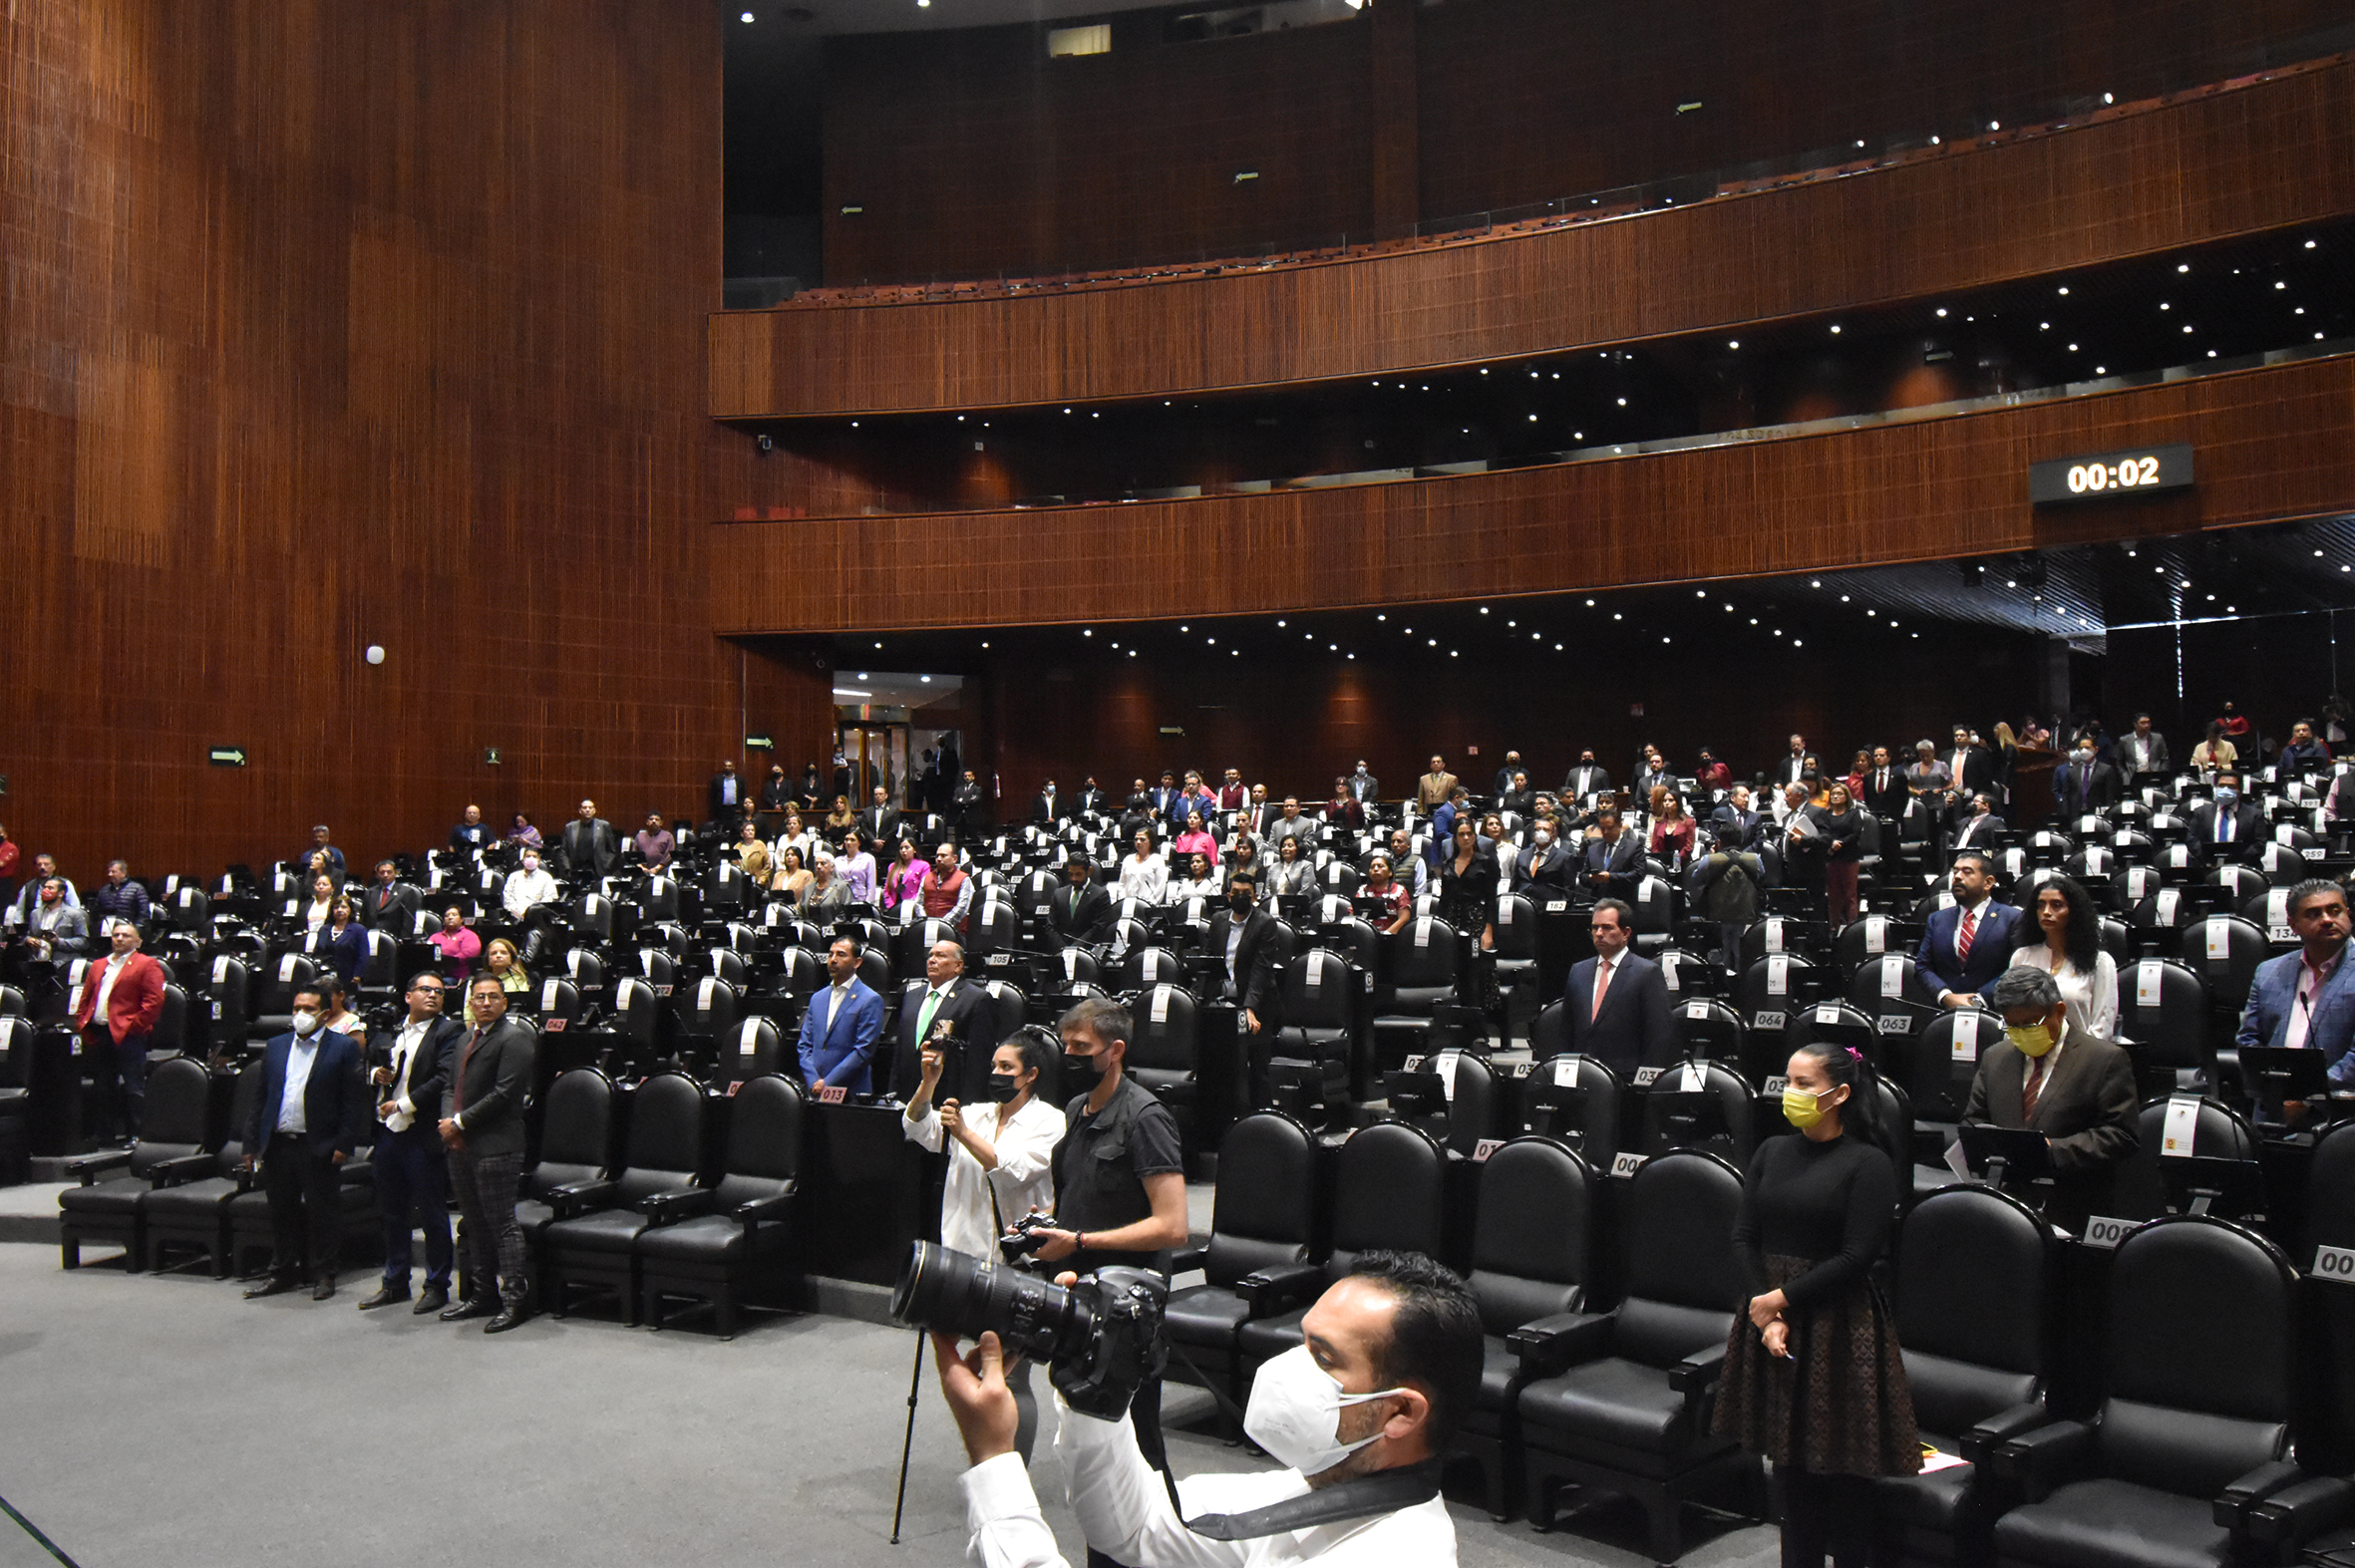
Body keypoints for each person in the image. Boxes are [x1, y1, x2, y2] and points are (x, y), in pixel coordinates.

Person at [935, 1249, 1474, 1568]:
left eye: (1324, 1357)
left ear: (1401, 1413)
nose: (1291, 1366)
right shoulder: (1319, 1488)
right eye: (1303, 1341)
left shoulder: (1392, 1555)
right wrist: (1095, 1394)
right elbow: (1136, 1527)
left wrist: (994, 1460)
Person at [1713, 1039, 1918, 1568]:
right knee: (1790, 1472)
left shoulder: (1869, 1163)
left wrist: (1778, 1302)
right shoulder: (1771, 1151)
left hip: (1838, 1323)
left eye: (1803, 1084)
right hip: (1771, 1320)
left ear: (1839, 1094)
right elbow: (1744, 1236)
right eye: (1788, 1081)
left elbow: (1857, 1257)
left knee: (1845, 1475)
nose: (1790, 1092)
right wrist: (1766, 1314)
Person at [904, 1030, 1065, 1460]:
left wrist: (962, 1133)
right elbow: (917, 1127)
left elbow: (1011, 1170)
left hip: (1016, 1266)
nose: (996, 1073)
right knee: (963, 1369)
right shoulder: (975, 1113)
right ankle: (988, 1459)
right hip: (963, 1260)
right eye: (994, 1065)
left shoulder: (1050, 1122)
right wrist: (928, 1083)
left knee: (1010, 1376)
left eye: (1006, 1067)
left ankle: (1015, 1470)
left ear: (1030, 1075)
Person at [1966, 966, 2140, 1231]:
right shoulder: (1995, 1057)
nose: (2021, 1032)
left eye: (2030, 1024)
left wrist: (2049, 1150)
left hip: (2073, 1205)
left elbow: (2121, 1135)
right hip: (2005, 1204)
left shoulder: (2104, 1059)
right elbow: (1973, 1120)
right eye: (2012, 1025)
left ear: (2059, 1011)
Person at [1025, 998, 1188, 1280]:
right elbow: (1082, 1195)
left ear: (1115, 1051)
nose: (1069, 1055)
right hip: (1071, 1275)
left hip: (1122, 1285)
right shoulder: (1076, 1107)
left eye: (1081, 1047)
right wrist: (1045, 1225)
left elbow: (1173, 1228)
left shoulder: (1146, 1118)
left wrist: (1080, 1241)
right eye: (1066, 1045)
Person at [241, 984, 366, 1302]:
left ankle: (324, 1273)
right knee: (281, 1211)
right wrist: (251, 1144)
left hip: (319, 1144)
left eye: (308, 1009)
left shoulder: (343, 1047)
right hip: (278, 1143)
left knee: (323, 1212)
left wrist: (345, 1143)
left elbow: (353, 1101)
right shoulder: (276, 1045)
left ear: (324, 1014)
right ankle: (282, 1272)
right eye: (297, 1008)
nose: (300, 1014)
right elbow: (261, 1099)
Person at [358, 972, 464, 1314]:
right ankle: (395, 1282)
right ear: (408, 996)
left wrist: (402, 1104)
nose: (433, 995)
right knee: (392, 1212)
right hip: (388, 1132)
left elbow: (444, 1078)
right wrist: (375, 1075)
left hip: (421, 1132)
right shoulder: (392, 1029)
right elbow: (368, 1062)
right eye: (425, 990)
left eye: (439, 991)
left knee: (432, 1214)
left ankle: (436, 1285)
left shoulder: (449, 1031)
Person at [439, 972, 536, 1333]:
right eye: (479, 997)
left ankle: (514, 1300)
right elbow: (450, 1087)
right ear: (470, 1002)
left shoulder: (515, 1038)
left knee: (501, 1223)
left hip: (497, 1145)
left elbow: (504, 1093)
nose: (485, 1003)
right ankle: (483, 1295)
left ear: (504, 1002)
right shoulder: (466, 1038)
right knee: (474, 1222)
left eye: (493, 997)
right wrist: (449, 1122)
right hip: (461, 1144)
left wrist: (459, 1122)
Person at [2234, 879, 2355, 1113]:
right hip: (2274, 1110)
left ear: (2348, 915)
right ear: (2293, 925)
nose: (2327, 919)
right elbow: (2249, 1040)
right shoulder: (2268, 972)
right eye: (2313, 914)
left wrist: (2308, 1098)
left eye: (2335, 910)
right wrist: (2276, 1094)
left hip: (2340, 1114)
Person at [70, 919, 167, 1140]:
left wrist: (134, 1025)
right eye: (116, 935)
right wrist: (82, 1021)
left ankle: (137, 1135)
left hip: (129, 1034)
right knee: (103, 1086)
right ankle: (105, 1134)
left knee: (133, 1087)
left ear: (138, 941)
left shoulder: (146, 964)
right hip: (100, 1032)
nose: (120, 939)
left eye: (126, 935)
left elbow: (154, 1001)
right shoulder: (98, 965)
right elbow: (86, 998)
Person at [1562, 898, 1671, 1080]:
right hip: (1581, 1074)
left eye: (1607, 928)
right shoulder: (1578, 971)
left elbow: (1658, 1034)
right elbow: (1567, 1030)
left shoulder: (1646, 973)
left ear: (1626, 933)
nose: (1599, 933)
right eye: (1595, 928)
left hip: (1625, 1078)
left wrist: (1645, 1081)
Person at [887, 938, 1000, 1102]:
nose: (932, 960)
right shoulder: (911, 996)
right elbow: (901, 1051)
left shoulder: (976, 999)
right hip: (907, 1094)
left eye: (940, 956)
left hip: (947, 1095)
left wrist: (968, 1106)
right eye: (930, 955)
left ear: (958, 966)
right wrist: (893, 1092)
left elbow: (978, 1061)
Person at [2009, 875, 2118, 1037]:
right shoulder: (2021, 957)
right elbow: (2011, 1014)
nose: (2046, 912)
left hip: (2081, 1050)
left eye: (2056, 905)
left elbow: (2102, 1024)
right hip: (2028, 1047)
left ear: (2074, 912)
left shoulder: (2100, 962)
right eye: (2041, 905)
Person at [1914, 850, 2021, 1008]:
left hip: (1995, 1011)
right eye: (1955, 871)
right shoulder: (1937, 919)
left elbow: (2017, 968)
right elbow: (1923, 966)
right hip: (1945, 1012)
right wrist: (1946, 996)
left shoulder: (2012, 918)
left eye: (1967, 872)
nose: (1957, 877)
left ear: (1988, 882)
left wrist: (1979, 1000)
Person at [798, 934, 883, 1095]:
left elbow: (863, 1050)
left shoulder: (870, 999)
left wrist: (827, 1083)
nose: (833, 959)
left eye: (841, 954)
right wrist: (813, 1080)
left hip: (850, 1090)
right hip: (814, 1088)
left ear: (857, 962)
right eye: (831, 954)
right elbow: (804, 1045)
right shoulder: (817, 998)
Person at [1688, 822, 1764, 972]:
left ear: (1719, 842)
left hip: (1718, 917)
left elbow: (1695, 880)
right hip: (1746, 915)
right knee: (1740, 951)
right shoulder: (1754, 859)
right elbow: (1761, 875)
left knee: (1723, 952)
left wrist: (1711, 855)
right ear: (1741, 840)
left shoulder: (1710, 860)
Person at [1805, 782, 1864, 926]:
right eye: (1833, 794)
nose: (1835, 796)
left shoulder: (1854, 813)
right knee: (1833, 895)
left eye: (1839, 794)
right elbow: (1823, 832)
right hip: (1830, 857)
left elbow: (1855, 833)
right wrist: (1831, 844)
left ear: (1846, 796)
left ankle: (1852, 926)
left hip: (1849, 857)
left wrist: (1840, 843)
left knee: (1850, 895)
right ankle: (1834, 926)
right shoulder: (1825, 815)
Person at [1435, 814, 1497, 951]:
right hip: (1451, 921)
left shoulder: (1486, 862)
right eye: (1462, 834)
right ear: (1455, 839)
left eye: (1469, 834)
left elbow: (1491, 899)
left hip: (1477, 921)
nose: (1466, 838)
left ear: (1475, 837)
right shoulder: (1448, 864)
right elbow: (1444, 900)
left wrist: (1488, 930)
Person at [1049, 850, 1115, 946]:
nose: (1074, 878)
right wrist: (1063, 949)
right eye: (1071, 874)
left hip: (1087, 950)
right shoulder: (1058, 894)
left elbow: (1098, 927)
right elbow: (1050, 926)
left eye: (1078, 874)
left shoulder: (1100, 895)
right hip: (1060, 950)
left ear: (1089, 871)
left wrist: (1075, 948)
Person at [2189, 772, 2261, 856]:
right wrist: (2207, 857)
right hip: (2207, 861)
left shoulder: (2254, 815)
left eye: (2231, 786)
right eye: (2221, 786)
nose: (2225, 790)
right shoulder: (2201, 812)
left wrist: (2236, 858)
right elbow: (2192, 839)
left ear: (2240, 791)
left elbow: (2259, 845)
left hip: (2241, 861)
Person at [1579, 807, 1642, 902]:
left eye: (1610, 828)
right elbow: (1583, 876)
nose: (1606, 832)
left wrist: (1610, 877)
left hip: (1623, 903)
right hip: (1597, 902)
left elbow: (1638, 875)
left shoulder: (1634, 848)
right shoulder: (1593, 849)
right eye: (1602, 829)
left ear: (1620, 826)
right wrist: (1592, 878)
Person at [307, 894, 368, 987]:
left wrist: (357, 975)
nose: (339, 910)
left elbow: (362, 956)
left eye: (344, 907)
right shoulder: (324, 929)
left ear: (350, 910)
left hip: (348, 978)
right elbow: (317, 952)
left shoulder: (358, 930)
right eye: (336, 907)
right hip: (324, 977)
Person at [21, 876, 87, 959]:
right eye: (44, 887)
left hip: (63, 960)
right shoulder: (35, 913)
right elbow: (29, 935)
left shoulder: (74, 914)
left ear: (61, 893)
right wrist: (28, 940)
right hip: (37, 959)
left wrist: (58, 942)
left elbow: (83, 942)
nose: (45, 891)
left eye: (50, 888)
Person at [2050, 739, 2121, 815]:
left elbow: (2110, 795)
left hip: (2097, 813)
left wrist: (2107, 812)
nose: (2084, 751)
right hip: (2076, 813)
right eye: (2081, 748)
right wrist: (2066, 814)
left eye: (2087, 748)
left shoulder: (2106, 770)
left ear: (2095, 749)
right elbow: (2066, 795)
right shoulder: (2072, 771)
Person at [920, 842, 976, 930]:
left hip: (953, 930)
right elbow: (919, 903)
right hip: (927, 928)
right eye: (937, 856)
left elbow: (962, 907)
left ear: (954, 859)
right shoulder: (927, 878)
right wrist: (924, 922)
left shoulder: (963, 879)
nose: (939, 859)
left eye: (943, 856)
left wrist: (943, 925)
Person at [87, 860, 152, 935]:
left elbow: (143, 914)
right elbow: (96, 914)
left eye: (113, 872)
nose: (110, 874)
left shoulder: (137, 889)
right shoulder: (104, 890)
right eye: (109, 872)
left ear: (123, 873)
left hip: (130, 932)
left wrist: (135, 931)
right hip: (106, 932)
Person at [561, 799, 616, 879]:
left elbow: (612, 850)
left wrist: (606, 865)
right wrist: (567, 868)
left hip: (598, 871)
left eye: (590, 808)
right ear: (580, 811)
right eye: (585, 807)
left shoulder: (604, 826)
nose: (587, 810)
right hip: (575, 871)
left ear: (594, 810)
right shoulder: (570, 827)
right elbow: (563, 851)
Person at [501, 848, 558, 920]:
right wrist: (520, 912)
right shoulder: (513, 876)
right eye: (528, 856)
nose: (531, 858)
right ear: (523, 860)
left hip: (538, 917)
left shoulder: (546, 877)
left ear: (539, 860)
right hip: (515, 917)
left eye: (534, 856)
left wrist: (533, 912)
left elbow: (548, 898)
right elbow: (507, 897)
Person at [1268, 832, 1317, 917]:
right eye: (1283, 846)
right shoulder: (1273, 867)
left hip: (1296, 912)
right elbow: (1267, 890)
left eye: (1290, 846)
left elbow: (1305, 892)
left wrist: (1289, 907)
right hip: (1273, 909)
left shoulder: (1306, 866)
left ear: (1298, 848)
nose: (1286, 849)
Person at [1516, 820, 1570, 894]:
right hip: (1522, 898)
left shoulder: (1564, 857)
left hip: (1548, 899)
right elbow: (1515, 883)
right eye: (1538, 829)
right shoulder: (1522, 855)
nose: (1541, 832)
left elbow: (1568, 890)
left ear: (1553, 834)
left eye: (1546, 830)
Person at [1363, 853, 1412, 935]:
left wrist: (1386, 933)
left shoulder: (1398, 890)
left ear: (1390, 872)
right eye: (1372, 867)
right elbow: (1354, 914)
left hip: (1391, 936)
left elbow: (1404, 917)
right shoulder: (1363, 890)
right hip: (1366, 935)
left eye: (1380, 866)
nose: (1375, 869)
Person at [429, 904, 481, 981]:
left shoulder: (469, 935)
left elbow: (468, 954)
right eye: (447, 916)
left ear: (461, 919)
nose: (450, 917)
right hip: (436, 974)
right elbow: (428, 952)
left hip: (458, 977)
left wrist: (448, 961)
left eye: (454, 915)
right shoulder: (435, 936)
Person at [1649, 791, 1697, 872]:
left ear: (1678, 803)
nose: (1667, 803)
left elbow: (1688, 846)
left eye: (1671, 800)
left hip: (1683, 864)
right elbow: (1654, 847)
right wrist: (1661, 863)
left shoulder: (1689, 822)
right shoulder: (1659, 823)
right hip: (1662, 865)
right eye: (1665, 801)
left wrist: (1676, 861)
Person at [1118, 830, 1168, 905]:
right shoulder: (1128, 859)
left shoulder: (1157, 859)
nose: (1138, 842)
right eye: (1136, 839)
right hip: (1128, 904)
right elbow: (1122, 884)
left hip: (1149, 905)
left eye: (1142, 839)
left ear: (1150, 841)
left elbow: (1160, 886)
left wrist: (1149, 905)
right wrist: (1123, 901)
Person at [801, 852, 853, 922]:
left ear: (832, 867)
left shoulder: (842, 887)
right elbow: (801, 911)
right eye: (816, 864)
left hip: (832, 927)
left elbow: (846, 914)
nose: (819, 866)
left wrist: (832, 926)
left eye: (823, 863)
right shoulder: (808, 888)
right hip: (809, 927)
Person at [1857, 748, 1908, 819]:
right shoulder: (1868, 777)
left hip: (1894, 816)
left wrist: (1899, 814)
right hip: (1874, 816)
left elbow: (1904, 796)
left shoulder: (1898, 775)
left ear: (1888, 758)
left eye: (1881, 755)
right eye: (1876, 756)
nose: (1878, 758)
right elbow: (1867, 798)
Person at [880, 837, 927, 912]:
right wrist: (889, 905)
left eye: (907, 848)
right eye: (901, 848)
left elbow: (924, 889)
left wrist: (914, 904)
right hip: (893, 905)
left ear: (914, 850)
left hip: (912, 905)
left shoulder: (923, 866)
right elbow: (887, 889)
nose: (903, 850)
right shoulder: (892, 866)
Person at [1711, 784, 1764, 850]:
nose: (1747, 800)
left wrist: (1745, 853)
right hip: (1725, 853)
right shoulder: (1720, 813)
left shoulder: (1755, 817)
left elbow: (1758, 840)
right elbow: (1715, 835)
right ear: (1733, 798)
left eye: (1748, 797)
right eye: (1743, 796)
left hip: (1748, 854)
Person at [835, 828, 878, 904]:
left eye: (852, 840)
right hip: (842, 898)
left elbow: (871, 884)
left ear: (859, 843)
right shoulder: (837, 860)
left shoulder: (868, 858)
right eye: (846, 840)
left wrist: (869, 903)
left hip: (860, 898)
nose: (848, 842)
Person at [863, 784, 903, 849]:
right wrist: (874, 841)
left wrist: (881, 842)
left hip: (888, 845)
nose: (878, 796)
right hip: (871, 845)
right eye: (876, 794)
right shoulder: (867, 811)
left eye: (881, 794)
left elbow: (894, 828)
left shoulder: (894, 811)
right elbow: (864, 828)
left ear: (886, 796)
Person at [735, 818, 774, 886]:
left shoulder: (760, 845)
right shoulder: (737, 847)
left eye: (752, 830)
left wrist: (762, 879)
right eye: (748, 830)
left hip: (757, 881)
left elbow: (767, 865)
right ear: (742, 833)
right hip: (741, 882)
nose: (750, 832)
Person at [709, 759, 745, 828]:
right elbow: (713, 794)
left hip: (735, 808)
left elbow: (742, 793)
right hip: (721, 809)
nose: (727, 768)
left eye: (729, 766)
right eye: (725, 766)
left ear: (733, 767)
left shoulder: (739, 779)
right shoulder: (718, 779)